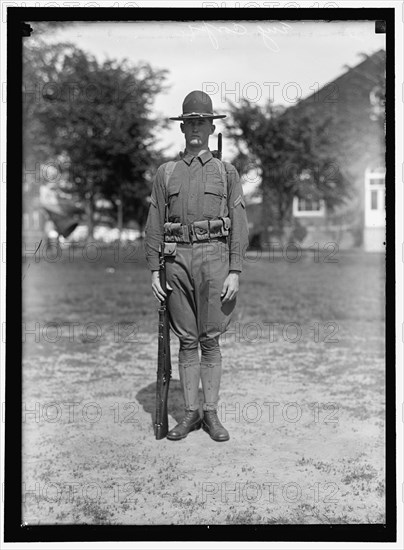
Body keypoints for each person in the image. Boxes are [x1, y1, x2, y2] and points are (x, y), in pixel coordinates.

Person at [144, 90, 249, 442]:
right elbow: (155, 220)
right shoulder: (166, 172)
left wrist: (235, 269)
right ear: (182, 127)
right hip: (176, 260)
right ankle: (189, 414)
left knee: (210, 339)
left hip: (215, 258)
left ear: (210, 126)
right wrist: (154, 269)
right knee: (187, 339)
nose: (195, 128)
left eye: (201, 122)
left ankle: (211, 414)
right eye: (189, 122)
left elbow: (239, 220)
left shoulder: (226, 171)